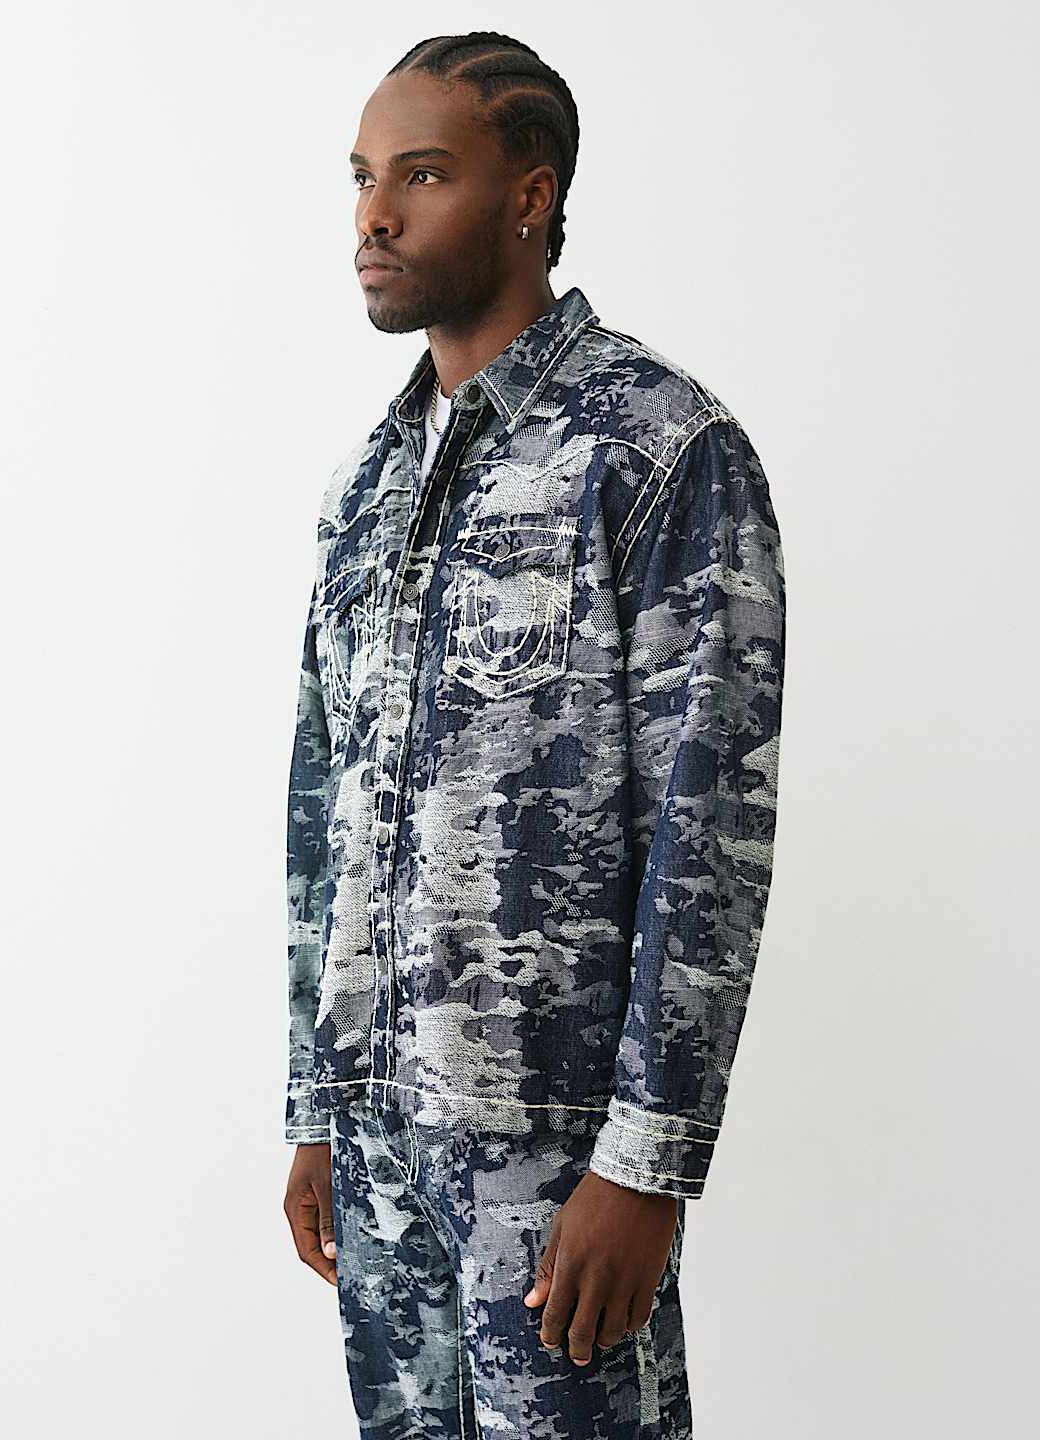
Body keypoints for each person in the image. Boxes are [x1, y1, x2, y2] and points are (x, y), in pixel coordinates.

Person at [282, 29, 786, 1439]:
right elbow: (323, 811)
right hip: (378, 1149)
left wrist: (648, 1164)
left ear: (529, 196)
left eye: (421, 175)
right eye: (362, 179)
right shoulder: (365, 486)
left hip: (557, 1163)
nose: (376, 217)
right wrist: (317, 1103)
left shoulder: (659, 448)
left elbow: (711, 828)